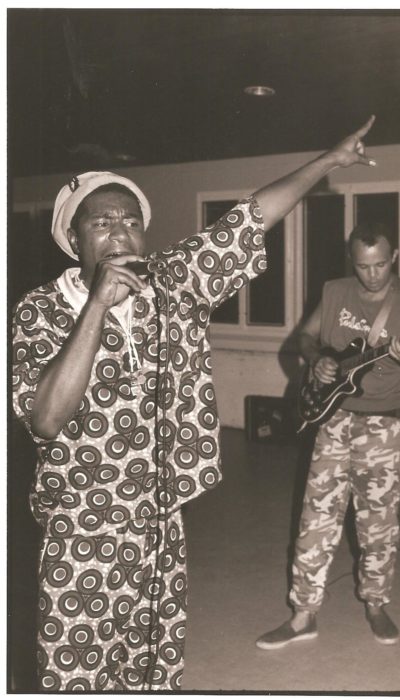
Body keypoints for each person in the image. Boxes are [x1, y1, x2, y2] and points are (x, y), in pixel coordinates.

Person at [12, 116, 376, 692]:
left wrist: (329, 161)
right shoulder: (40, 310)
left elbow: (250, 219)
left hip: (160, 518)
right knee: (76, 667)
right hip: (81, 524)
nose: (120, 232)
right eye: (101, 222)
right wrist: (97, 308)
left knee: (155, 666)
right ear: (73, 239)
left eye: (131, 221)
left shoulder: (173, 283)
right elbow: (46, 417)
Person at [255, 220, 400, 651]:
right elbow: (305, 337)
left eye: (380, 265)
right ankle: (303, 614)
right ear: (351, 261)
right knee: (315, 520)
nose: (372, 275)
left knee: (378, 526)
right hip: (333, 421)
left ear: (394, 257)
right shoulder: (335, 291)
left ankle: (376, 604)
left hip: (385, 427)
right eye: (363, 266)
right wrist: (317, 359)